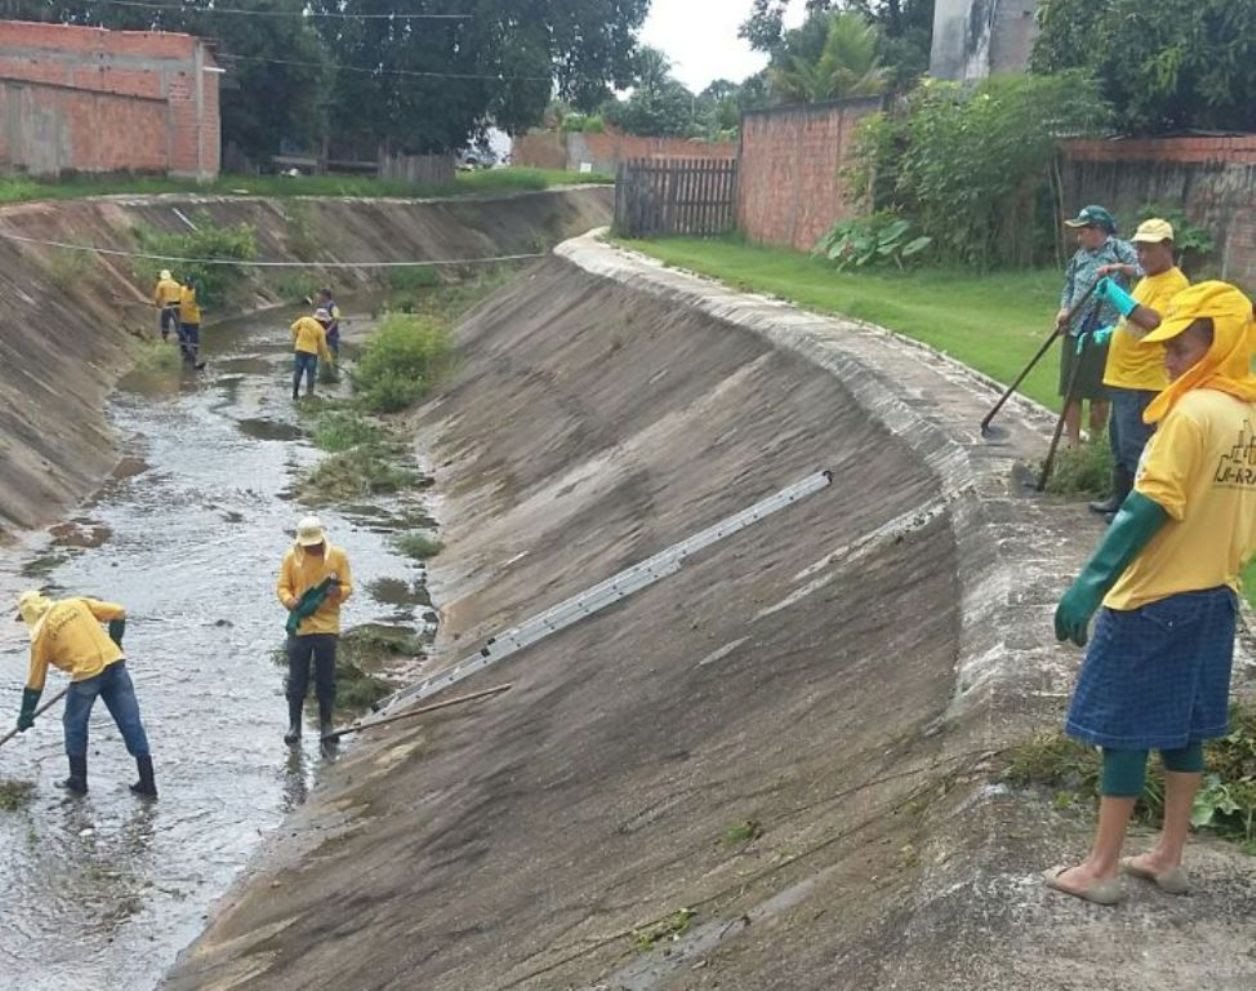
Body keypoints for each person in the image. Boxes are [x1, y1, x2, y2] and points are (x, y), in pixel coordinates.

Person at [1047, 281, 1256, 905]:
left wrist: (1090, 584)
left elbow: (1149, 505)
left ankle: (1101, 868)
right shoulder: (1247, 416)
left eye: (1181, 348)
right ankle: (1168, 856)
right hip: (1216, 597)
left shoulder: (1192, 414)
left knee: (1124, 731)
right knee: (1185, 732)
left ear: (1220, 346)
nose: (1166, 360)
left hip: (1154, 599)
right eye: (1165, 346)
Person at [1087, 218, 1190, 520]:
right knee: (1119, 444)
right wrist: (1108, 333)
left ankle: (1133, 514)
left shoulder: (1175, 284)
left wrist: (1116, 296)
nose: (1142, 256)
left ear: (1167, 247)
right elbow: (1132, 322)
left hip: (1143, 381)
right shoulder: (1147, 280)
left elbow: (1154, 322)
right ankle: (1119, 498)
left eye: (1148, 249)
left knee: (1135, 449)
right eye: (1139, 249)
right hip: (1123, 376)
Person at [13, 590, 157, 798]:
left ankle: (78, 780)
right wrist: (115, 643)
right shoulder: (76, 603)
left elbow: (36, 681)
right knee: (130, 722)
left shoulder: (41, 636)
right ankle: (148, 782)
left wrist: (26, 714)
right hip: (115, 665)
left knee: (74, 724)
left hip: (87, 676)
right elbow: (118, 612)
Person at [1057, 205, 1140, 446]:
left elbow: (1143, 270)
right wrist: (1064, 309)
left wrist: (1117, 268)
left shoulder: (1119, 249)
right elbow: (1069, 286)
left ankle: (1094, 444)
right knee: (1071, 390)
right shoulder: (1079, 256)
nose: (1079, 237)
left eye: (1082, 231)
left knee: (1099, 393)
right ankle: (1073, 446)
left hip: (1105, 331)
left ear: (1098, 230)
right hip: (1075, 328)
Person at [276, 515, 353, 743]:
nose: (311, 548)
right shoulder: (291, 558)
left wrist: (338, 592)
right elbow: (282, 587)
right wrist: (290, 601)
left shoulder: (338, 556)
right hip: (300, 626)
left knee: (325, 678)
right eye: (307, 545)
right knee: (296, 679)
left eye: (315, 544)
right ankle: (294, 726)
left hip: (327, 626)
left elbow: (348, 586)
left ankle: (326, 725)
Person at [290, 308, 333, 400]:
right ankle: (309, 394)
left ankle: (295, 394)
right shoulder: (321, 330)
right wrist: (327, 359)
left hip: (299, 349)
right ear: (323, 321)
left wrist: (297, 337)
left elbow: (293, 327)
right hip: (312, 353)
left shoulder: (304, 319)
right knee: (311, 374)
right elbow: (323, 347)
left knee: (298, 372)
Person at [178, 276, 205, 369]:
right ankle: (185, 356)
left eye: (190, 282)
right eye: (187, 282)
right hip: (183, 320)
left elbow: (199, 299)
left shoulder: (195, 293)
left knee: (194, 340)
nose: (188, 284)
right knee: (182, 339)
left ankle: (194, 356)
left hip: (193, 320)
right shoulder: (182, 289)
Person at [153, 268, 181, 341]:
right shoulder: (177, 284)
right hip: (177, 306)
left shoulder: (161, 284)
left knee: (165, 323)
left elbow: (157, 297)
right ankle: (182, 338)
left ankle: (165, 339)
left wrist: (157, 304)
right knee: (178, 323)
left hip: (167, 307)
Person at [316, 288, 342, 362]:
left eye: (320, 295)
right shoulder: (321, 306)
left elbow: (336, 319)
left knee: (333, 355)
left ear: (325, 296)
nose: (319, 297)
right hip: (323, 335)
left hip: (332, 335)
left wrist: (328, 331)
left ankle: (334, 365)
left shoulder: (333, 306)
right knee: (324, 355)